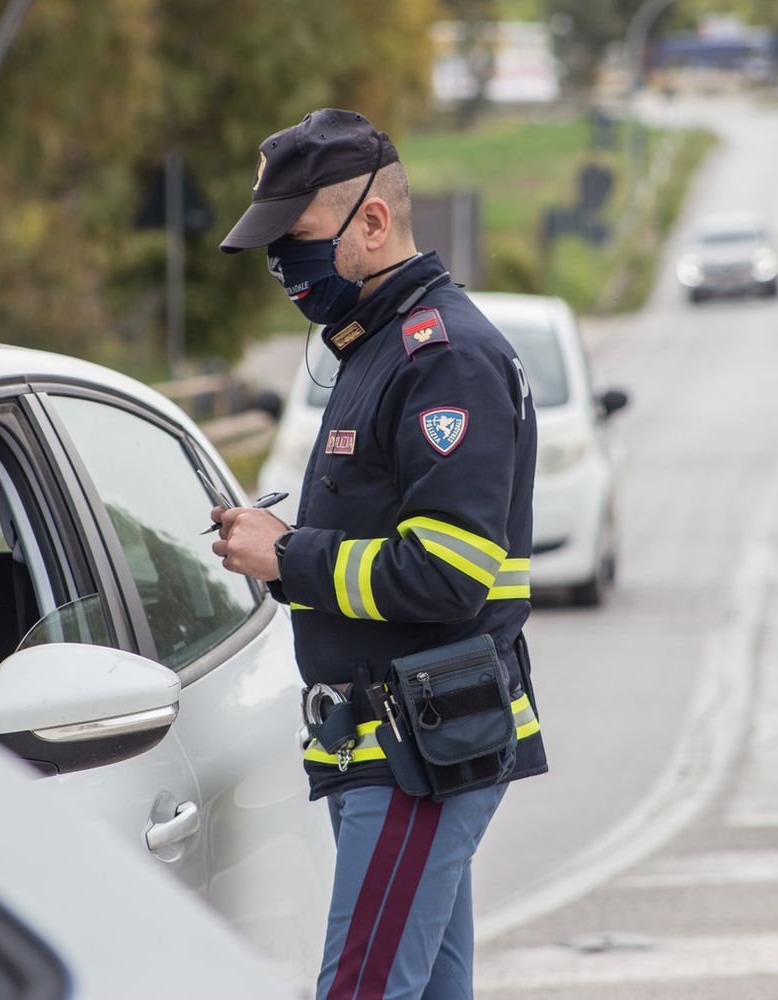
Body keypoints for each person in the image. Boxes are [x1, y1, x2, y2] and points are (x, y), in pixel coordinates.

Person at [211, 108, 546, 1000]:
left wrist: (291, 557)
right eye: (273, 246)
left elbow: (449, 572)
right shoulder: (373, 348)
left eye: (299, 237)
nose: (284, 266)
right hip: (391, 745)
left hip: (416, 750)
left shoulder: (446, 358)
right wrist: (290, 556)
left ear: (372, 220)